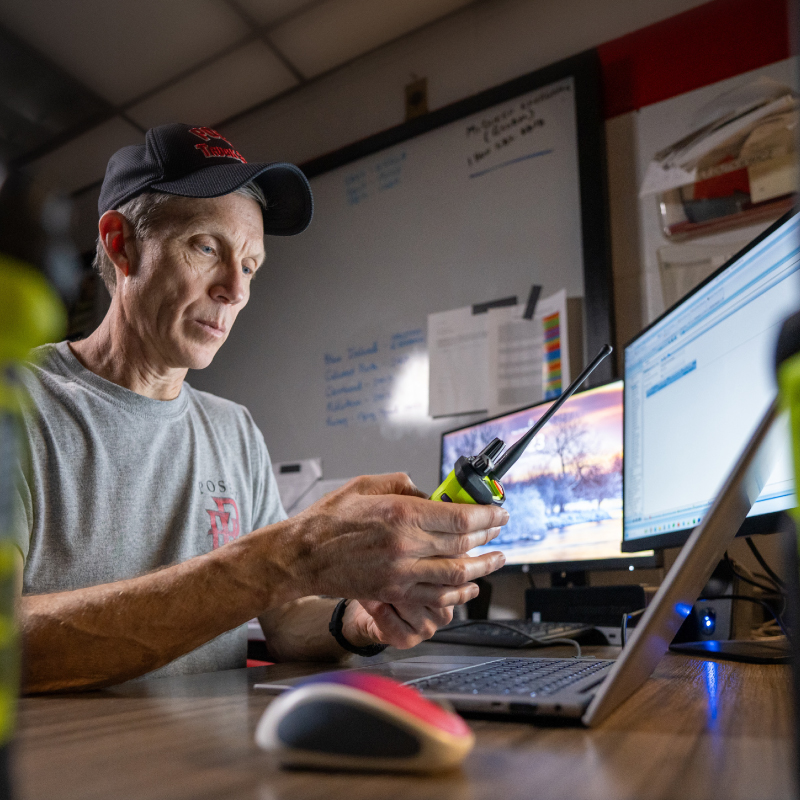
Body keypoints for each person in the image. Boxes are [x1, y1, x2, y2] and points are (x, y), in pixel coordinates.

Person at [12, 124, 507, 693]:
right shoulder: (19, 405)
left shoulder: (233, 429)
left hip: (222, 766)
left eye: (250, 266)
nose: (235, 290)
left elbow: (284, 625)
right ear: (121, 244)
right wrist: (284, 556)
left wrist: (359, 620)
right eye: (206, 247)